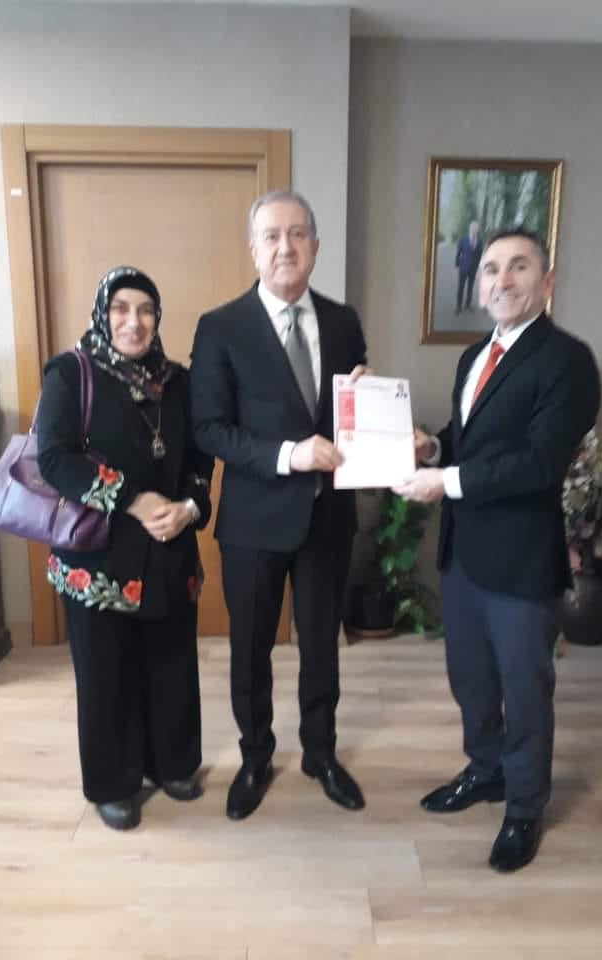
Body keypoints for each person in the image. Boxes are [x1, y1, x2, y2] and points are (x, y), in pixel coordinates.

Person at [393, 228, 600, 872]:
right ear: (479, 285)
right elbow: (468, 438)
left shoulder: (567, 360)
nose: (502, 280)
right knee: (471, 680)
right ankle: (485, 771)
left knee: (524, 688)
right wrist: (434, 448)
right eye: (490, 270)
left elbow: (539, 462)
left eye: (518, 267)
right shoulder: (475, 355)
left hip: (519, 559)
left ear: (547, 280)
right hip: (463, 553)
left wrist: (445, 480)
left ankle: (525, 806)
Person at [190, 190, 368, 820]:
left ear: (315, 246)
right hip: (254, 520)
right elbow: (209, 429)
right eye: (271, 236)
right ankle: (255, 757)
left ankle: (321, 754)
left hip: (327, 518)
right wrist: (292, 454)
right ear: (254, 249)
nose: (285, 247)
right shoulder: (221, 327)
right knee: (250, 651)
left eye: (297, 234)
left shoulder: (344, 321)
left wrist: (371, 414)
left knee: (321, 645)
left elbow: (351, 413)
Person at [37, 266, 213, 831]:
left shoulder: (179, 382)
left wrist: (189, 508)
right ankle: (114, 783)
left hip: (170, 548)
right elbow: (54, 458)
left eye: (145, 310)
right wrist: (133, 500)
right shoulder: (71, 373)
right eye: (120, 309)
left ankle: (173, 764)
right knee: (106, 672)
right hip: (99, 556)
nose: (133, 321)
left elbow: (200, 461)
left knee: (172, 663)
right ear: (102, 314)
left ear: (157, 319)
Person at [455, 220, 483, 314]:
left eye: (476, 228)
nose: (475, 229)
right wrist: (457, 265)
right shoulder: (463, 240)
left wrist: (478, 267)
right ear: (470, 228)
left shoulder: (479, 241)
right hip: (463, 267)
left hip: (473, 268)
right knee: (461, 287)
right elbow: (458, 253)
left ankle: (468, 304)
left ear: (478, 230)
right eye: (473, 227)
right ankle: (458, 306)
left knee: (470, 287)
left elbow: (479, 255)